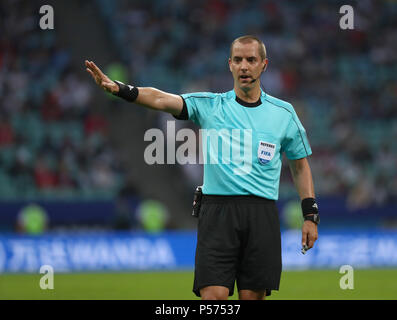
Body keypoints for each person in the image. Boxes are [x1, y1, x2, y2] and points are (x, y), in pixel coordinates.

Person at [85, 35, 319, 300]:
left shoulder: (283, 114)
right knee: (213, 296)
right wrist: (120, 89)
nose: (244, 66)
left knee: (251, 298)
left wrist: (310, 216)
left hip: (260, 213)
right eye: (238, 60)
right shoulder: (209, 105)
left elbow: (300, 167)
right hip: (217, 213)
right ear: (229, 64)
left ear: (264, 65)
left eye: (251, 60)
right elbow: (161, 99)